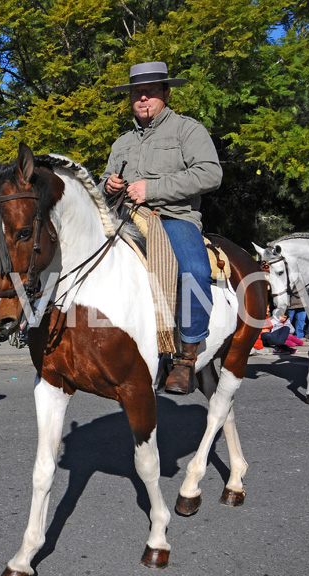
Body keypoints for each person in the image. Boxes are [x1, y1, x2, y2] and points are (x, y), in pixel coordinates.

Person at [101, 61, 223, 394]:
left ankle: (185, 357)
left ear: (165, 94)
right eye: (136, 93)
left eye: (150, 92)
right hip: (125, 217)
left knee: (194, 271)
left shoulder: (188, 130)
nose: (142, 98)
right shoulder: (122, 142)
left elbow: (211, 175)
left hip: (173, 217)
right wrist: (108, 186)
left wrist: (152, 190)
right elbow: (104, 182)